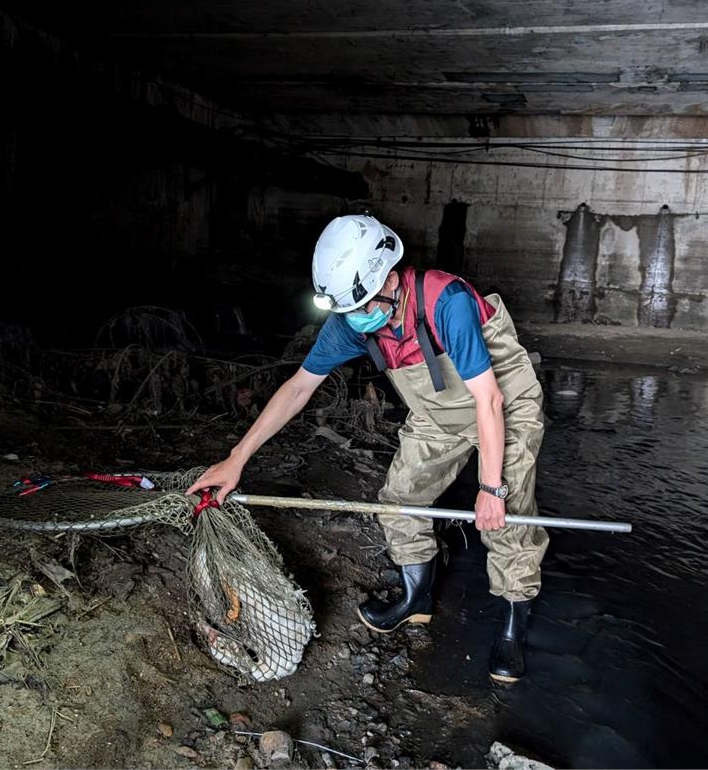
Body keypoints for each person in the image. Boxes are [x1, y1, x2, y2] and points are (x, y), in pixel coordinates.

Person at [187, 213, 548, 683]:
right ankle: (416, 598)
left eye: (363, 305)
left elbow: (490, 398)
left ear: (392, 279)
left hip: (505, 405)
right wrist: (238, 458)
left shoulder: (447, 302)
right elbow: (299, 388)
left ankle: (513, 624)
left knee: (509, 514)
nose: (358, 319)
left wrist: (492, 487)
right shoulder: (352, 322)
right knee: (400, 500)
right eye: (348, 311)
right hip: (437, 417)